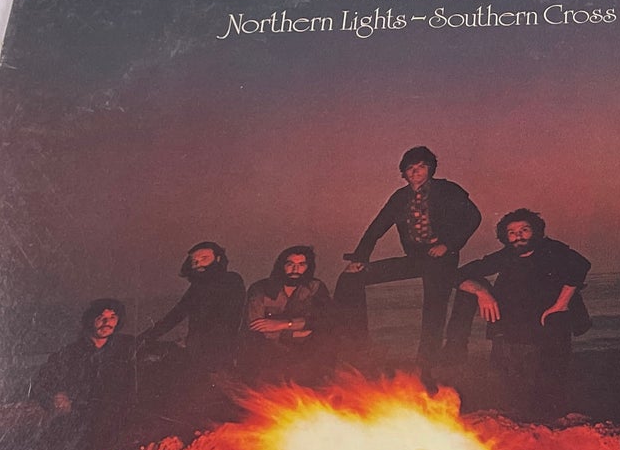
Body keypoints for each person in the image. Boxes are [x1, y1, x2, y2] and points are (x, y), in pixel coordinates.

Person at [335, 145, 481, 365]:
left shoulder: (447, 190)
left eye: (421, 166)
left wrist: (448, 245)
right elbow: (377, 227)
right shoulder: (400, 197)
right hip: (415, 258)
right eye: (410, 168)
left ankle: (427, 363)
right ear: (403, 172)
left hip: (441, 258)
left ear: (430, 169)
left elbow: (473, 217)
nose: (415, 171)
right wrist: (360, 258)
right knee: (351, 278)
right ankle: (359, 345)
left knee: (434, 310)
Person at [457, 208, 591, 423]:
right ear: (505, 237)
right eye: (512, 232)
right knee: (511, 379)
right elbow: (460, 275)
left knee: (549, 379)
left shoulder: (552, 250)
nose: (518, 236)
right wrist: (482, 293)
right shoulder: (506, 255)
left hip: (548, 324)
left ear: (535, 231)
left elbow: (581, 265)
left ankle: (551, 421)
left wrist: (561, 304)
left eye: (524, 230)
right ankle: (522, 419)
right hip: (513, 325)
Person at [29, 298, 140, 440]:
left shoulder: (127, 348)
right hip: (80, 427)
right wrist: (55, 397)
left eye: (112, 317)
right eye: (101, 318)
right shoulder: (70, 354)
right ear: (89, 319)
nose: (107, 323)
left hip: (119, 427)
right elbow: (41, 384)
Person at [138, 241, 246, 373]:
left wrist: (195, 341)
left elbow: (229, 318)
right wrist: (143, 338)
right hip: (197, 349)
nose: (198, 264)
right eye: (194, 261)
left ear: (218, 258)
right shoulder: (197, 287)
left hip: (219, 352)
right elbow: (175, 315)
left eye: (204, 258)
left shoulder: (231, 280)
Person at [243, 244, 332, 381]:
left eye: (301, 265)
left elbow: (322, 320)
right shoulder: (261, 288)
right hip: (268, 353)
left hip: (306, 352)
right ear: (282, 265)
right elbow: (255, 325)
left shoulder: (315, 288)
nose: (295, 269)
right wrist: (293, 333)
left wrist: (284, 324)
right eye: (290, 264)